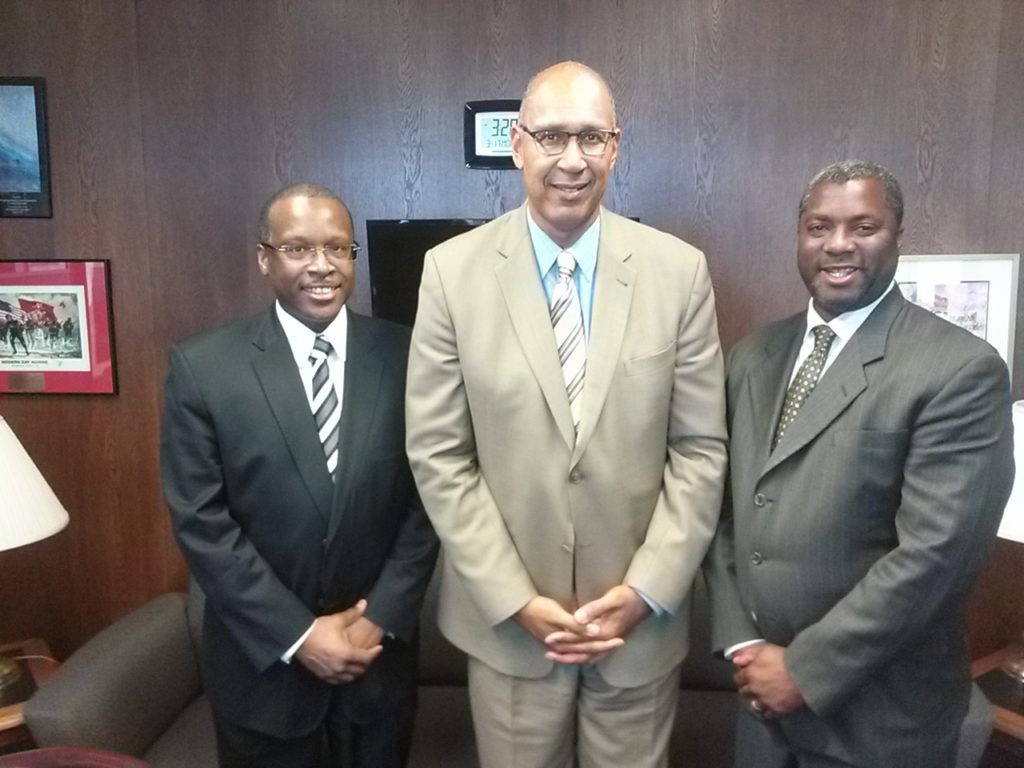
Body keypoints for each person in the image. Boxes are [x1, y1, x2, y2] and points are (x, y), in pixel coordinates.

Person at [405, 61, 728, 768]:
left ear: (616, 147)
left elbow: (701, 451)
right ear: (518, 145)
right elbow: (438, 454)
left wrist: (645, 591)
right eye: (552, 137)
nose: (572, 160)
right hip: (511, 630)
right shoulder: (450, 274)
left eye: (591, 137)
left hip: (635, 631)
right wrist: (514, 598)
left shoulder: (679, 273)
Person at [704, 160, 1014, 767]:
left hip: (881, 719)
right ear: (800, 236)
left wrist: (803, 669)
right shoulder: (751, 358)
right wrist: (743, 645)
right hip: (760, 707)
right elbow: (720, 514)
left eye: (863, 226)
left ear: (897, 237)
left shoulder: (959, 369)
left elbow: (935, 558)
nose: (838, 245)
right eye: (819, 227)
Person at [161, 183, 438, 768]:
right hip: (263, 674)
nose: (321, 266)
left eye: (337, 249)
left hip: (376, 668)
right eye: (297, 248)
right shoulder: (204, 367)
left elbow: (430, 501)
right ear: (264, 257)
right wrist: (300, 636)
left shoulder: (409, 355)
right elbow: (202, 523)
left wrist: (378, 622)